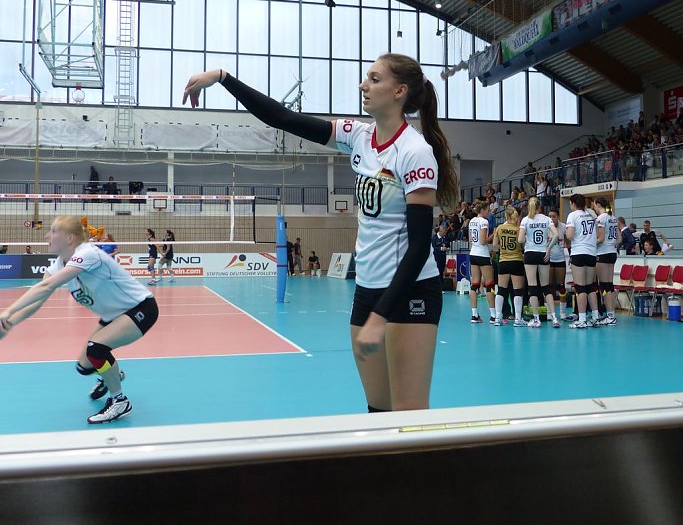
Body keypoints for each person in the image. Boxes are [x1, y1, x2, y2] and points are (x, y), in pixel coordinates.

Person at [183, 53, 457, 413]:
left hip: (409, 291)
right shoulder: (358, 135)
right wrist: (222, 77)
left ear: (399, 91)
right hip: (368, 290)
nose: (363, 85)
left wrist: (381, 315)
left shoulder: (415, 152)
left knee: (409, 410)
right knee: (378, 409)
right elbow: (283, 118)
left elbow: (420, 245)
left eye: (374, 79)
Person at [0, 216, 159, 424]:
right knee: (84, 366)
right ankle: (112, 374)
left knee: (96, 349)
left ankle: (119, 401)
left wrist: (7, 312)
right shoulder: (59, 264)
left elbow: (45, 287)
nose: (48, 235)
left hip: (140, 308)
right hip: (112, 316)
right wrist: (9, 323)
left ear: (69, 238)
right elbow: (38, 298)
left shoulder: (87, 254)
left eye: (54, 231)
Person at [518, 197, 557, 329]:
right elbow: (556, 235)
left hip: (530, 254)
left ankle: (536, 319)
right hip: (543, 254)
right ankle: (554, 318)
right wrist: (548, 248)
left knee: (532, 286)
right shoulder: (547, 219)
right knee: (546, 287)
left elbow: (520, 240)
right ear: (541, 207)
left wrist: (527, 237)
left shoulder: (526, 220)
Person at [567, 193, 599, 329]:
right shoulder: (590, 215)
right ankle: (596, 317)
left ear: (574, 204)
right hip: (591, 253)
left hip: (579, 252)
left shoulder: (573, 216)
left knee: (580, 287)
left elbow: (569, 235)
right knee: (590, 286)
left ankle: (582, 319)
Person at [493, 206, 527, 327]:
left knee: (501, 290)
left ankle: (498, 317)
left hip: (503, 261)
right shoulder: (519, 229)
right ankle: (518, 319)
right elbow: (523, 243)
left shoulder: (499, 228)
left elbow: (495, 245)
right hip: (517, 261)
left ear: (506, 216)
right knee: (518, 291)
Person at [467, 202, 497, 324]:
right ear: (483, 210)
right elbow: (483, 241)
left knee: (474, 284)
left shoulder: (471, 221)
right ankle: (493, 316)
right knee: (489, 284)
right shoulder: (484, 222)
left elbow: (470, 239)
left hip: (473, 253)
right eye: (487, 210)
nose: (489, 212)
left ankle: (474, 315)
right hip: (482, 254)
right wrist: (493, 234)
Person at [593, 196, 618, 326]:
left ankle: (609, 315)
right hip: (612, 252)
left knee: (604, 285)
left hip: (602, 253)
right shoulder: (612, 217)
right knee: (609, 284)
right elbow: (619, 239)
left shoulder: (601, 218)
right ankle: (611, 314)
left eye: (594, 205)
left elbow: (601, 238)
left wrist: (589, 242)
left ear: (597, 204)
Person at [547, 208, 570, 325]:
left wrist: (570, 256)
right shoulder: (546, 226)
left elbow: (568, 242)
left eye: (554, 216)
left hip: (560, 259)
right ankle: (549, 312)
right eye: (550, 216)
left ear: (558, 217)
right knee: (549, 286)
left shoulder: (563, 227)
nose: (551, 218)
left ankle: (562, 312)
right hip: (549, 260)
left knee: (561, 286)